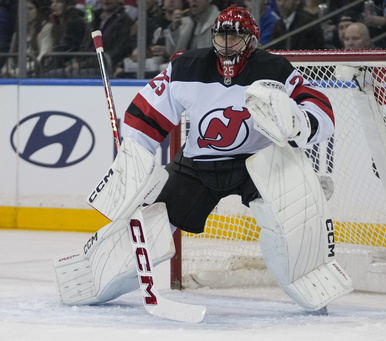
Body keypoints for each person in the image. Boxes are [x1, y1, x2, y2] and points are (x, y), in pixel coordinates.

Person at [53, 5, 352, 313]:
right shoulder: (187, 66)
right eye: (221, 36)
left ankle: (311, 283)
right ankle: (94, 277)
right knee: (149, 226)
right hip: (197, 165)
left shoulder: (275, 69)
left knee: (290, 222)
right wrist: (133, 155)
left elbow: (320, 107)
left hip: (259, 162)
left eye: (235, 38)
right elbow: (146, 112)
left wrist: (301, 122)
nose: (226, 44)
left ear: (252, 40)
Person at [69, 0, 134, 77]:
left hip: (105, 67)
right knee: (56, 73)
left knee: (76, 74)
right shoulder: (95, 18)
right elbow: (85, 44)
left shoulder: (125, 22)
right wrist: (75, 61)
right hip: (85, 64)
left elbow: (116, 53)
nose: (105, 1)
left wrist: (82, 65)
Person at [1, 0, 53, 77]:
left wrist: (18, 71)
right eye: (24, 9)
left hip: (36, 75)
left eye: (30, 9)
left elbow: (43, 57)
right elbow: (11, 57)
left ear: (38, 11)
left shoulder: (46, 28)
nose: (26, 12)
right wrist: (6, 69)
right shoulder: (17, 34)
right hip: (15, 74)